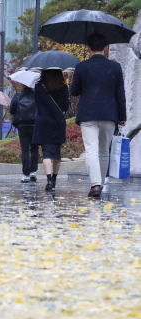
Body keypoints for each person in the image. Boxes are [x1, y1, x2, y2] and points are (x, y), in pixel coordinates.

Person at [70, 33, 127, 198]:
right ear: (106, 48)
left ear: (88, 48)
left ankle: (95, 185)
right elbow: (120, 95)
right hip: (109, 114)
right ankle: (99, 183)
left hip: (88, 114)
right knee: (104, 151)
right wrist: (122, 117)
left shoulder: (81, 67)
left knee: (91, 150)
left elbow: (74, 90)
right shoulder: (115, 67)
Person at [32, 69, 70, 191]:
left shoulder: (39, 87)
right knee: (56, 153)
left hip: (43, 122)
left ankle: (48, 180)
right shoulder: (63, 87)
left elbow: (37, 104)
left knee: (46, 152)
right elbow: (65, 107)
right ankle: (54, 179)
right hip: (58, 122)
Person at [9, 83, 38, 183]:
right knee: (34, 149)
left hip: (22, 125)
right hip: (35, 125)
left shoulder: (17, 96)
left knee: (25, 150)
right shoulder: (37, 96)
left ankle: (26, 174)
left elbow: (11, 110)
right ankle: (33, 172)